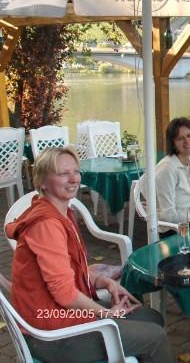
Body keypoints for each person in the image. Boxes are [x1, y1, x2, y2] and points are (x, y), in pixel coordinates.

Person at [5, 147, 174, 363]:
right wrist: (107, 314)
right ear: (43, 182)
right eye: (63, 173)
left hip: (62, 316)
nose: (73, 179)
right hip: (52, 333)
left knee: (152, 317)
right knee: (155, 338)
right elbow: (65, 294)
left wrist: (107, 283)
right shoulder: (47, 224)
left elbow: (70, 271)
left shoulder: (61, 213)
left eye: (76, 171)